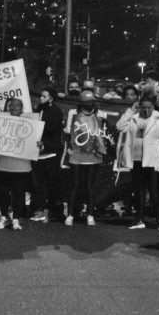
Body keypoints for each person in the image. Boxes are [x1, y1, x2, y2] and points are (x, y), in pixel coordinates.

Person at [116, 94, 159, 230]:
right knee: (139, 190)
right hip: (136, 159)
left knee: (154, 191)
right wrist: (131, 110)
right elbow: (120, 126)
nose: (146, 110)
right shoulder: (134, 118)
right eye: (143, 107)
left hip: (152, 160)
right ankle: (138, 219)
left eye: (149, 108)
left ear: (153, 107)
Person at [64, 90, 106, 226]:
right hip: (77, 153)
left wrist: (102, 150)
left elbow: (103, 134)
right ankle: (70, 214)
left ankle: (90, 214)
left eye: (91, 101)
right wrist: (68, 148)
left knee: (90, 186)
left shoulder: (100, 115)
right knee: (74, 185)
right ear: (81, 102)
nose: (89, 104)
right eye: (87, 102)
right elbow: (67, 132)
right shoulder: (73, 114)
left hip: (94, 154)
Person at [0, 98, 32, 231]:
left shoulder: (30, 122)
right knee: (3, 192)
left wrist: (39, 145)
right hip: (4, 165)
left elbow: (35, 141)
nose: (14, 107)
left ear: (22, 108)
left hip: (21, 167)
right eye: (12, 105)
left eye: (17, 105)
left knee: (19, 194)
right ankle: (3, 217)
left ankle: (16, 218)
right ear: (8, 108)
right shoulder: (0, 121)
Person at [30, 87, 65, 223]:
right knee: (38, 184)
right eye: (41, 96)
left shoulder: (56, 112)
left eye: (44, 96)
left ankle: (54, 211)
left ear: (51, 98)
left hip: (51, 153)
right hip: (38, 153)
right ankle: (39, 210)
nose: (41, 98)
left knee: (52, 184)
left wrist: (38, 124)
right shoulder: (38, 110)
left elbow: (52, 129)